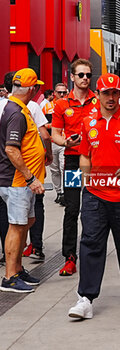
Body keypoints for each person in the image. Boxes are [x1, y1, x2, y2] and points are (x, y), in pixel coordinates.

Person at [68, 73, 120, 319]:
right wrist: (86, 177)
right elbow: (84, 154)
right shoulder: (88, 121)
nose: (111, 98)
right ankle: (86, 298)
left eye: (115, 93)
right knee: (90, 243)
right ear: (98, 94)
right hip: (95, 195)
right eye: (106, 93)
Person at [52, 58, 99, 276]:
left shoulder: (97, 102)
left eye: (88, 75)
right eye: (81, 75)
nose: (85, 79)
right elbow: (55, 134)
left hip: (95, 163)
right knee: (72, 209)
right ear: (72, 77)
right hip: (72, 161)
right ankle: (70, 258)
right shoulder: (62, 104)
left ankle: (92, 253)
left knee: (94, 210)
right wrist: (65, 143)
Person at [0, 68, 45, 293]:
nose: (37, 91)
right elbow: (11, 149)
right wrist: (30, 178)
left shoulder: (20, 109)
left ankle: (17, 269)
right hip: (18, 181)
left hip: (22, 182)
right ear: (31, 89)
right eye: (36, 87)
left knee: (26, 223)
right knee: (16, 227)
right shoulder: (16, 113)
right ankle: (9, 277)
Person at [43, 83, 68, 206]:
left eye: (64, 92)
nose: (62, 95)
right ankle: (58, 192)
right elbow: (42, 125)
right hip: (52, 141)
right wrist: (54, 126)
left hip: (65, 142)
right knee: (54, 170)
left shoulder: (70, 105)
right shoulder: (47, 107)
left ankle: (64, 193)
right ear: (54, 93)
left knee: (64, 168)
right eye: (60, 92)